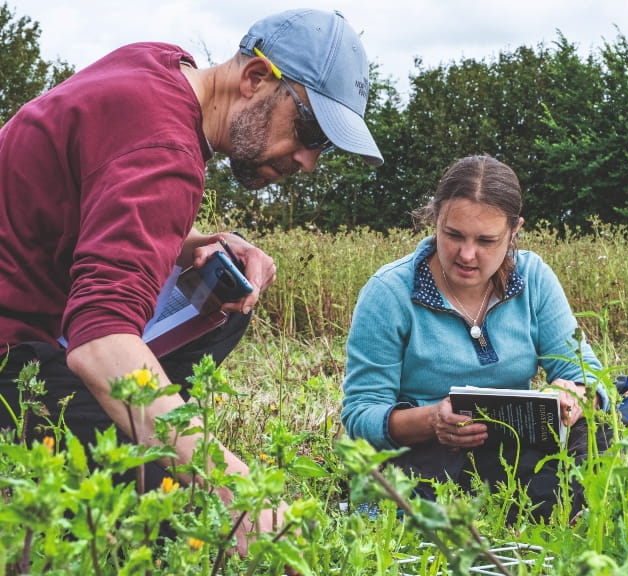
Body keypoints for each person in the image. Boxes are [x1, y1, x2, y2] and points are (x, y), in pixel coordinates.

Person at [0, 8, 382, 555]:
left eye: (323, 146)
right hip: (13, 355)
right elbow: (98, 338)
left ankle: (145, 418)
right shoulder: (167, 153)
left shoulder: (156, 65)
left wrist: (192, 241)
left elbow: (94, 195)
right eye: (309, 129)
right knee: (179, 504)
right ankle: (140, 435)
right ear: (255, 79)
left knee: (228, 300)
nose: (309, 160)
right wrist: (233, 489)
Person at [341, 155, 608, 522]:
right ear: (436, 220)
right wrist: (433, 419)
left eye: (486, 240)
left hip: (516, 452)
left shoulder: (534, 277)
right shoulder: (389, 292)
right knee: (407, 496)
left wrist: (573, 393)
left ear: (514, 232)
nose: (467, 255)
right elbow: (361, 414)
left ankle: (547, 511)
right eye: (453, 236)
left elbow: (586, 372)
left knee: (599, 436)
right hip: (425, 453)